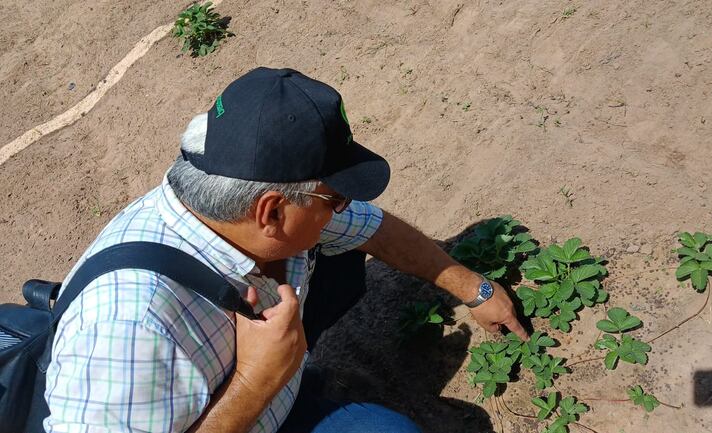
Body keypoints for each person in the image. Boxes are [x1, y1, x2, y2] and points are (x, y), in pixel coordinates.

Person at [43, 67, 527, 433]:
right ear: (271, 212)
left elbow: (373, 230)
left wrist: (476, 289)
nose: (345, 208)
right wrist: (256, 381)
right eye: (335, 198)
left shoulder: (236, 200)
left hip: (272, 400)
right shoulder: (127, 326)